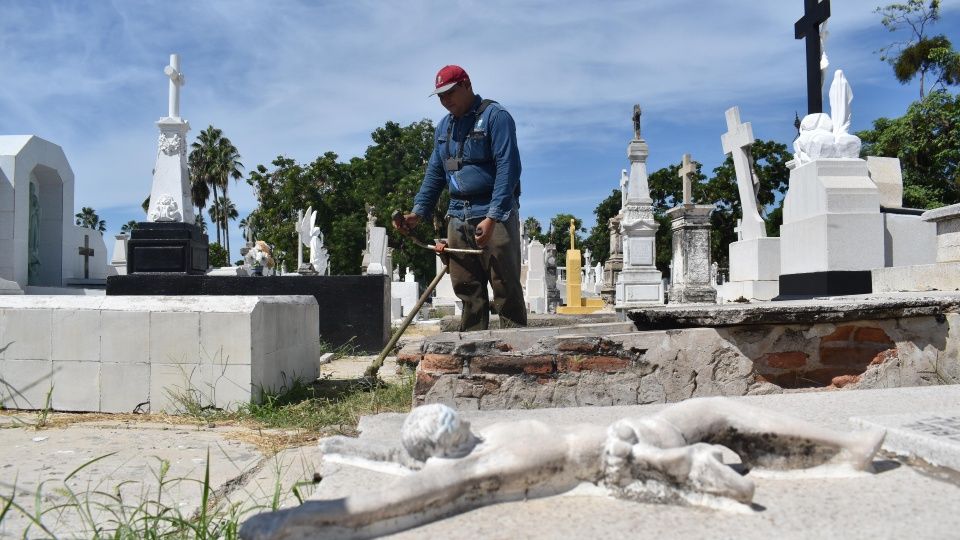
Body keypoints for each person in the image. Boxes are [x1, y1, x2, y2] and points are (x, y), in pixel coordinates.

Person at [240, 398, 885, 539]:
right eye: (449, 424)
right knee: (719, 417)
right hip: (631, 448)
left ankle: (847, 448)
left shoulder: (488, 447)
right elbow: (402, 497)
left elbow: (402, 482)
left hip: (630, 444)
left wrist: (341, 457)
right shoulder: (492, 452)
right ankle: (846, 447)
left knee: (719, 413)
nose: (458, 422)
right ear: (451, 438)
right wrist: (304, 514)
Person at [393, 65, 526, 331]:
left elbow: (508, 169)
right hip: (457, 213)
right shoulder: (444, 128)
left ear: (466, 85)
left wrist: (492, 217)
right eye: (440, 96)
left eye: (450, 93)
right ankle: (473, 356)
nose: (445, 101)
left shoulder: (495, 117)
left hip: (493, 211)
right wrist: (417, 213)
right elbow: (435, 174)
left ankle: (517, 355)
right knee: (466, 288)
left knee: (505, 287)